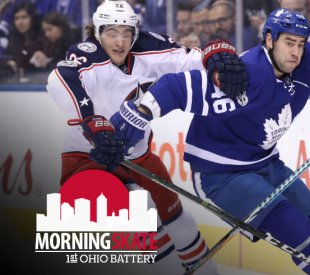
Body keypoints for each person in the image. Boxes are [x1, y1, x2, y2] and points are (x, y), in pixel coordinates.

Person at [98, 8, 310, 275]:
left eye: (300, 44)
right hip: (221, 176)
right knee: (298, 231)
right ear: (269, 40)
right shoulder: (243, 74)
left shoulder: (306, 61)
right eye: (288, 43)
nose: (295, 52)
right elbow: (176, 87)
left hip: (265, 163)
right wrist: (137, 113)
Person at [45, 0, 247, 274]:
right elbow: (58, 79)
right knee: (142, 209)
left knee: (180, 221)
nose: (120, 41)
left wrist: (216, 55)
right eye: (111, 33)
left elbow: (192, 59)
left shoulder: (149, 48)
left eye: (126, 33)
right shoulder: (87, 53)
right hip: (90, 158)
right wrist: (91, 121)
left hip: (138, 158)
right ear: (97, 32)